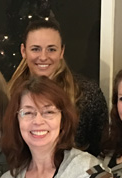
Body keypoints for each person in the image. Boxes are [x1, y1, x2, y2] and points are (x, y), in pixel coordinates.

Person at [8, 19, 108, 156]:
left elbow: (99, 147)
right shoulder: (9, 93)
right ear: (23, 51)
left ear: (61, 51)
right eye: (36, 49)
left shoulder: (86, 93)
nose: (43, 57)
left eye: (51, 49)